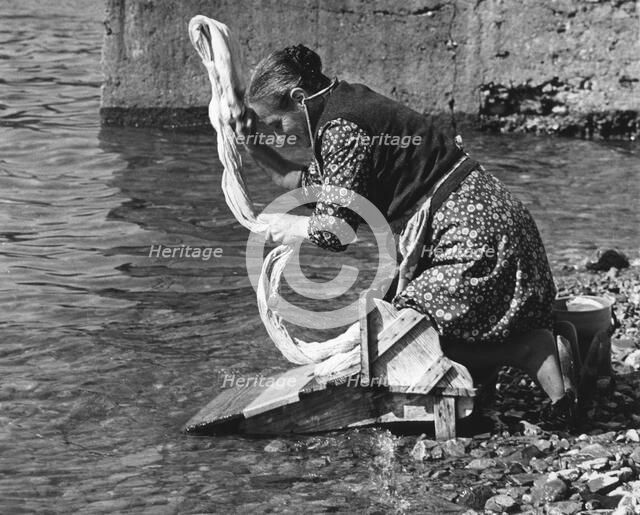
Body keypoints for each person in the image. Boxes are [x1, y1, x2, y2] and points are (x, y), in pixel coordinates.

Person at [233, 44, 575, 421]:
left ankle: (526, 351)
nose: (280, 133)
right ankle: (508, 370)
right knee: (405, 324)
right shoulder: (346, 107)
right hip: (490, 222)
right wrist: (252, 144)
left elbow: (336, 232)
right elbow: (301, 183)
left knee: (398, 341)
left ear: (298, 98)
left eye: (277, 123)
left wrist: (293, 226)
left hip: (474, 236)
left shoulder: (341, 129)